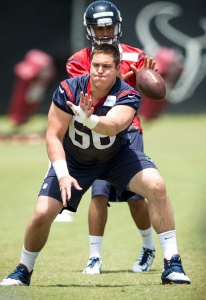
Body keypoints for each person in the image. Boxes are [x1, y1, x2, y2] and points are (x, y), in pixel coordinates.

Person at [0, 44, 190, 286]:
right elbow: (52, 136)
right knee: (42, 213)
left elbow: (113, 125)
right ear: (89, 66)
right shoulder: (69, 89)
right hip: (76, 161)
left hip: (116, 157)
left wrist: (89, 119)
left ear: (117, 69)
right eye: (96, 65)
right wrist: (62, 174)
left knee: (156, 185)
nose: (100, 71)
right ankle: (23, 269)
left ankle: (172, 263)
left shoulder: (127, 94)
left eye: (106, 67)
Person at [66, 0, 156, 274]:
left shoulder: (135, 55)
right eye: (99, 27)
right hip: (97, 132)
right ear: (90, 30)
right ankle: (94, 256)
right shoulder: (78, 61)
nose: (105, 32)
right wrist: (126, 77)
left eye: (109, 26)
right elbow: (89, 96)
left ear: (117, 27)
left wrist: (149, 77)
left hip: (129, 129)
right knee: (99, 194)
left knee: (137, 196)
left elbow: (143, 94)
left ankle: (148, 248)